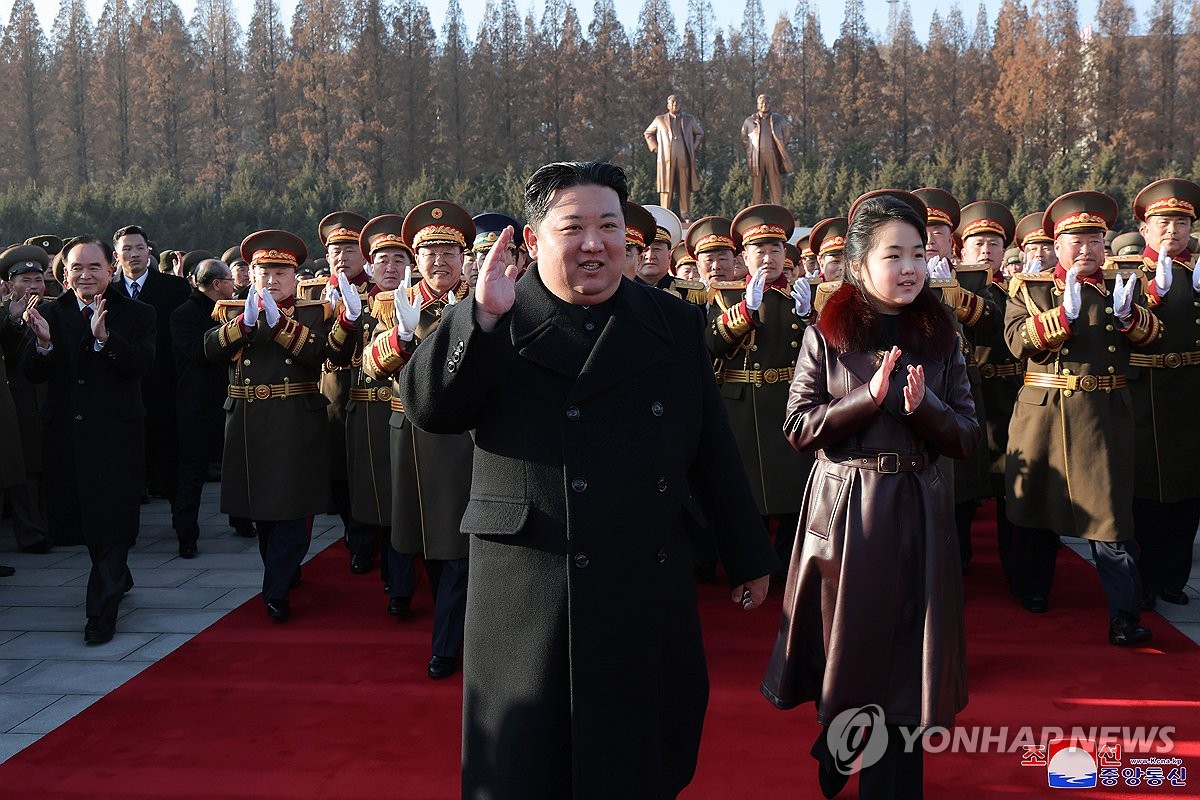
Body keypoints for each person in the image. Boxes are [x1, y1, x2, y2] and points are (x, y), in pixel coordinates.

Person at [401, 161, 778, 798]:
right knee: (526, 770)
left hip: (641, 578)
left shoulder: (671, 323)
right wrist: (479, 318)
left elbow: (710, 446)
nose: (594, 243)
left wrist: (747, 552)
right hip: (530, 591)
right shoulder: (498, 315)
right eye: (573, 227)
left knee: (637, 762)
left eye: (609, 225)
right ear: (531, 237)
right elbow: (430, 408)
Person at [762, 191, 979, 800]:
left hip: (919, 509)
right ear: (859, 265)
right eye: (893, 255)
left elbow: (966, 436)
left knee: (908, 666)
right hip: (849, 511)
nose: (910, 267)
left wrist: (924, 408)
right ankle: (839, 740)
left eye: (919, 252)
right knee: (851, 654)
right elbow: (799, 426)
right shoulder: (827, 333)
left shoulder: (942, 333)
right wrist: (866, 400)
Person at [1005, 191, 1161, 645]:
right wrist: (1062, 317)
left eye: (1095, 240)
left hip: (1104, 417)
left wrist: (1133, 316)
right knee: (1036, 509)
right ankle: (1032, 589)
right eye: (1076, 239)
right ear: (1056, 244)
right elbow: (1018, 342)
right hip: (1045, 417)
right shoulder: (1031, 289)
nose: (1087, 249)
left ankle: (1124, 615)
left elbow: (1154, 336)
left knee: (1110, 519)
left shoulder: (1121, 286)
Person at [204, 230, 359, 621]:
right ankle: (281, 574)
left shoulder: (313, 313)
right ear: (250, 275)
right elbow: (209, 349)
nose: (271, 280)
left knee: (292, 510)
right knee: (263, 512)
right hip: (249, 422)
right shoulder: (230, 312)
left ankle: (274, 588)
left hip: (294, 417)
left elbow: (324, 356)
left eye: (280, 273)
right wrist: (246, 322)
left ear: (295, 276)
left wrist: (281, 326)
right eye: (263, 272)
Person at [22, 235, 156, 645]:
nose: (85, 275)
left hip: (117, 433)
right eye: (76, 268)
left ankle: (100, 613)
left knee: (112, 519)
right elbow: (33, 373)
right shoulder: (49, 312)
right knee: (87, 519)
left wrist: (105, 339)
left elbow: (142, 365)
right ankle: (118, 572)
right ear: (63, 274)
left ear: (110, 269)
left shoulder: (137, 313)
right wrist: (43, 345)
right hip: (67, 435)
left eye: (94, 267)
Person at [361, 200, 475, 679]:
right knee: (424, 540)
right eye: (428, 251)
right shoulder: (395, 303)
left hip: (471, 441)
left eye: (449, 250)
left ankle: (449, 644)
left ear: (464, 257)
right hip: (415, 437)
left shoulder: (486, 299)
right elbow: (369, 365)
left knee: (460, 547)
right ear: (415, 259)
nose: (439, 260)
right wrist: (403, 336)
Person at [1128, 179, 1200, 610]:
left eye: (1180, 222)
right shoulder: (1127, 274)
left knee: (1187, 490)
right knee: (1145, 492)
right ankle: (1143, 579)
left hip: (1190, 393)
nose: (1171, 230)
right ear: (1145, 230)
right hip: (1143, 394)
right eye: (1162, 222)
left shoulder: (1197, 273)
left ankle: (1173, 577)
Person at [348, 214, 416, 617]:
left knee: (402, 499)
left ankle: (402, 579)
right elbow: (339, 357)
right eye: (383, 261)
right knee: (372, 497)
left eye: (399, 261)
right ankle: (383, 569)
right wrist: (346, 319)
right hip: (368, 411)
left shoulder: (425, 301)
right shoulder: (359, 304)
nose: (390, 268)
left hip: (408, 412)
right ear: (370, 266)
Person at [111, 225, 191, 516]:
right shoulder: (109, 292)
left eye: (139, 248)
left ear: (149, 252)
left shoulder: (175, 288)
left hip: (165, 388)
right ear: (116, 255)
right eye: (127, 249)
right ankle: (125, 528)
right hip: (122, 391)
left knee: (171, 464)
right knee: (127, 467)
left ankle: (184, 529)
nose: (134, 254)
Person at [170, 259, 237, 556]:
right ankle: (186, 534)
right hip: (197, 403)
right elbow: (200, 352)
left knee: (238, 466)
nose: (234, 287)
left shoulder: (233, 309)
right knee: (192, 471)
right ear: (218, 284)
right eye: (231, 281)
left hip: (231, 399)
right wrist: (234, 334)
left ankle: (243, 519)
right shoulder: (184, 315)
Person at [1, 245, 53, 554]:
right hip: (18, 397)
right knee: (25, 468)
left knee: (49, 463)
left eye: (37, 279)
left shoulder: (54, 309)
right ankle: (30, 533)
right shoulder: (6, 314)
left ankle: (52, 525)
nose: (33, 286)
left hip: (49, 395)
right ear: (9, 283)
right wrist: (15, 321)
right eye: (25, 280)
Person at [643, 94, 705, 222]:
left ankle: (685, 214)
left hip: (684, 158)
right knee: (667, 187)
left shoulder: (689, 119)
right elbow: (648, 133)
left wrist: (693, 148)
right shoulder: (659, 120)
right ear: (668, 105)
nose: (675, 105)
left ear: (681, 104)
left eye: (677, 103)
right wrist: (655, 148)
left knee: (684, 186)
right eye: (672, 103)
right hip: (666, 159)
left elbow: (699, 133)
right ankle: (665, 214)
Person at [740, 93, 792, 206]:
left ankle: (778, 211)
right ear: (757, 105)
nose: (764, 105)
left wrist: (778, 149)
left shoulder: (779, 120)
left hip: (773, 156)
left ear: (770, 104)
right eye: (761, 102)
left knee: (775, 187)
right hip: (756, 157)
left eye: (766, 102)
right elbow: (744, 138)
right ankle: (757, 213)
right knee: (757, 188)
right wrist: (751, 150)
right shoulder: (749, 121)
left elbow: (786, 136)